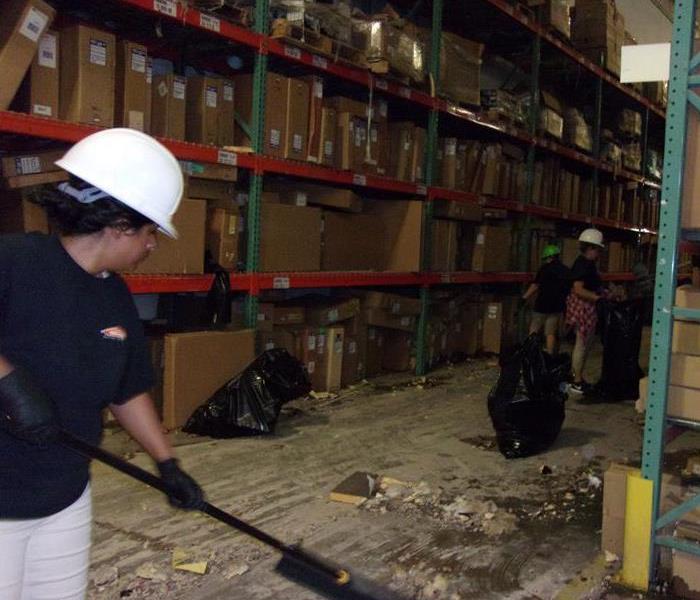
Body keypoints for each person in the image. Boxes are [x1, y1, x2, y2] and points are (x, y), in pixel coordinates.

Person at [0, 129, 204, 600]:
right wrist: (9, 384)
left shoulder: (113, 294)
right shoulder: (16, 261)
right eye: (150, 231)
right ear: (117, 225)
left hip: (65, 495)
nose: (153, 245)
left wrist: (167, 463)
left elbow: (127, 388)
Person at [565, 228, 605, 395]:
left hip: (587, 307)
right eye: (598, 249)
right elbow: (578, 289)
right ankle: (577, 380)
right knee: (581, 345)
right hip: (584, 308)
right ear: (592, 248)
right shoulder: (583, 264)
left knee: (584, 344)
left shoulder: (587, 264)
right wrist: (597, 298)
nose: (599, 253)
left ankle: (578, 377)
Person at [521, 244, 571, 354]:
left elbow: (535, 285)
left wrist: (524, 297)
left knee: (533, 330)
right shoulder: (565, 270)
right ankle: (549, 355)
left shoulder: (544, 269)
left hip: (541, 306)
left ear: (548, 257)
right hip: (557, 307)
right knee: (550, 333)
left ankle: (529, 353)